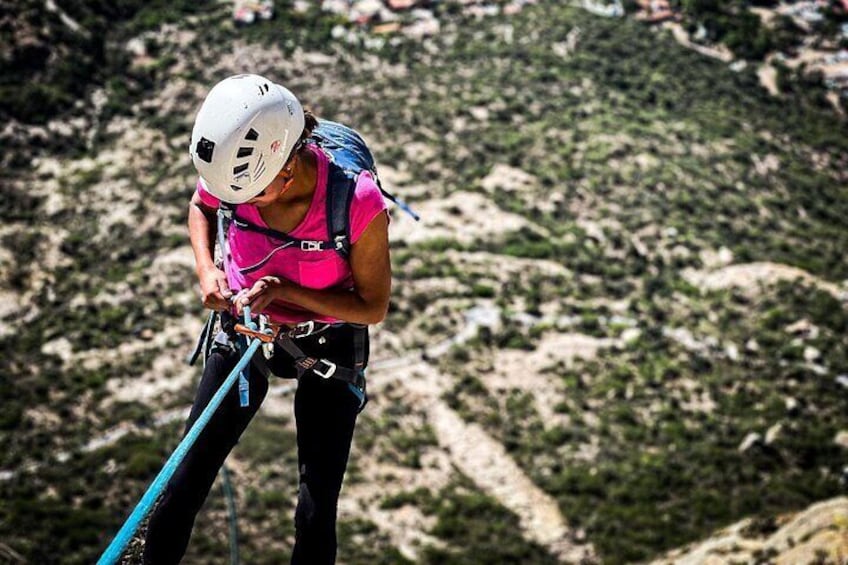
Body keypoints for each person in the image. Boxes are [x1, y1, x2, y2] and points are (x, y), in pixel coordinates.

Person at [142, 74, 391, 564]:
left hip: (327, 344)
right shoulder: (235, 177)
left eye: (254, 195)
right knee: (182, 483)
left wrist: (287, 293)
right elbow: (202, 205)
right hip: (244, 330)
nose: (242, 205)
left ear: (287, 164)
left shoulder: (355, 201)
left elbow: (371, 307)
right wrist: (207, 270)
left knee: (315, 511)